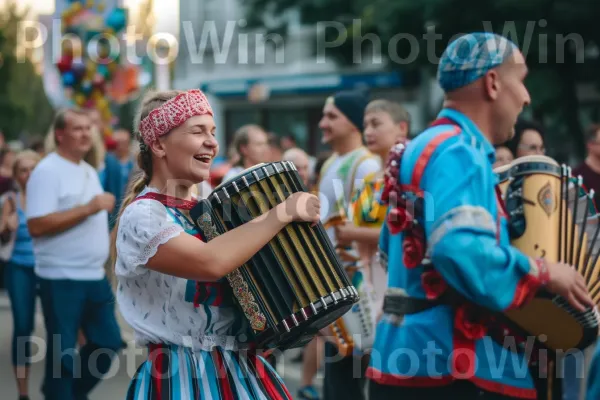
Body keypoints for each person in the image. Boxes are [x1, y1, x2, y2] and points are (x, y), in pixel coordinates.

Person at [366, 32, 594, 400]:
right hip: (451, 368)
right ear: (492, 83)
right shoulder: (461, 151)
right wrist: (545, 272)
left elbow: (388, 250)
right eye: (520, 81)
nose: (526, 97)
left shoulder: (424, 146)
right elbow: (458, 248)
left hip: (405, 360)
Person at [112, 89, 320, 399]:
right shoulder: (142, 215)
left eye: (213, 132)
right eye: (198, 132)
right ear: (158, 144)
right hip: (181, 375)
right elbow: (209, 263)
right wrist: (284, 212)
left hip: (242, 369)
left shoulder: (210, 211)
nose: (213, 142)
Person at [26, 107, 124, 400]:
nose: (86, 134)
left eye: (88, 128)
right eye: (77, 128)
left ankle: (65, 394)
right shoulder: (46, 171)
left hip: (93, 276)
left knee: (109, 342)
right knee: (63, 357)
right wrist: (89, 208)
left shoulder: (88, 170)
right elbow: (37, 225)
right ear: (59, 134)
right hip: (60, 278)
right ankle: (61, 393)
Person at [317, 88, 381, 400]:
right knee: (338, 380)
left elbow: (374, 234)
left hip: (356, 293)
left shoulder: (366, 166)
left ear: (354, 123)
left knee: (350, 382)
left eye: (332, 116)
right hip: (334, 289)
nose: (322, 124)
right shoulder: (331, 164)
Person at [0, 150, 40, 400]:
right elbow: (3, 235)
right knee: (23, 327)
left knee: (63, 325)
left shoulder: (52, 199)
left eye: (33, 169)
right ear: (16, 176)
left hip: (48, 267)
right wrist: (6, 227)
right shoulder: (10, 199)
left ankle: (63, 386)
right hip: (19, 267)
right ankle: (23, 392)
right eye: (23, 170)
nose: (28, 175)